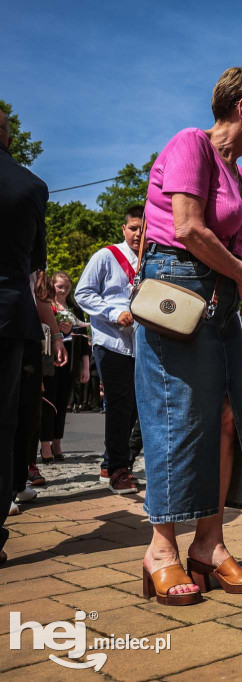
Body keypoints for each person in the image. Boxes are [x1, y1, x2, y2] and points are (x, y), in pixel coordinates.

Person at [136, 66, 242, 606]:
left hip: (220, 298)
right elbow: (187, 227)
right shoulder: (190, 145)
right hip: (178, 291)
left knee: (225, 421)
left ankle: (208, 544)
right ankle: (160, 550)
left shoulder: (238, 176)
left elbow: (238, 249)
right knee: (177, 418)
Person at [0, 106, 62, 555]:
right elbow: (38, 277)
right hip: (8, 315)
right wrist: (53, 331)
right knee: (3, 424)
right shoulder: (31, 186)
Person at [76, 205, 145, 493]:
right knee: (120, 404)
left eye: (143, 229)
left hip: (140, 343)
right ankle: (119, 468)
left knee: (136, 408)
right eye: (134, 228)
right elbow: (82, 293)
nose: (139, 234)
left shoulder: (152, 260)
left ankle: (109, 464)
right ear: (124, 229)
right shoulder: (106, 256)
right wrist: (113, 313)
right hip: (111, 341)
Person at [40, 271, 90, 463]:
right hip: (49, 357)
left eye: (67, 287)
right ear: (52, 286)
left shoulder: (75, 309)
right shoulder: (46, 306)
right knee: (48, 402)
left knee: (63, 402)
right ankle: (45, 444)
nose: (63, 290)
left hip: (71, 358)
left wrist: (85, 367)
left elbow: (84, 342)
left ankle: (57, 441)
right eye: (60, 286)